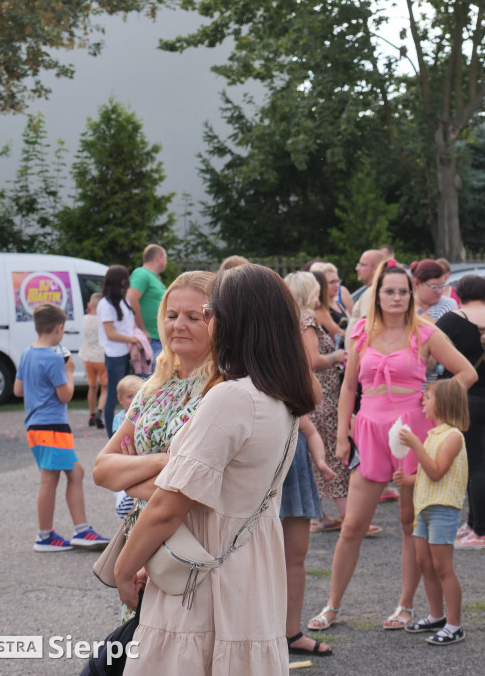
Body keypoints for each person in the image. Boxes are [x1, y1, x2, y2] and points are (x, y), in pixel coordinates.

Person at [113, 263, 320, 675]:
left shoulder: (231, 398)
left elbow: (169, 506)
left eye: (208, 312)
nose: (205, 320)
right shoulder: (277, 397)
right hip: (249, 566)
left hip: (204, 575)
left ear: (232, 321)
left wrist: (122, 569)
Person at [309, 260, 475, 633]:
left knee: (408, 525)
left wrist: (435, 406)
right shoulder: (360, 332)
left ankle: (404, 606)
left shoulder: (426, 332)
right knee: (352, 525)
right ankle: (331, 605)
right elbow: (349, 386)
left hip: (411, 433)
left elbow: (467, 373)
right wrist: (340, 436)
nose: (397, 297)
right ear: (378, 295)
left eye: (403, 291)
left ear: (411, 294)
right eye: (390, 291)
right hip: (368, 431)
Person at [94, 271, 217, 620]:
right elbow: (102, 470)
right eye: (171, 315)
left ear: (219, 323)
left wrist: (130, 474)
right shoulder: (153, 387)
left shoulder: (221, 390)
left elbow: (197, 484)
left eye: (194, 317)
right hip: (141, 538)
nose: (178, 325)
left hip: (191, 542)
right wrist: (168, 460)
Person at [15, 303, 109, 552]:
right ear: (59, 328)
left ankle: (80, 530)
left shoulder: (27, 353)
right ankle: (47, 536)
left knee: (74, 473)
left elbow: (18, 390)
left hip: (36, 425)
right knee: (50, 479)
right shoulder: (54, 359)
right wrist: (68, 370)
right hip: (52, 425)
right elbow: (66, 395)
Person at [280, 272, 338, 658]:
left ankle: (289, 632)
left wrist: (317, 448)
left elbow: (303, 401)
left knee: (295, 553)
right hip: (267, 453)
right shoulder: (289, 329)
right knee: (255, 552)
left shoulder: (290, 332)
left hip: (295, 442)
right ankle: (260, 634)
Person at [436, 275, 485, 549]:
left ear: (457, 294)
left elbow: (431, 356)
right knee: (476, 463)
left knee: (477, 466)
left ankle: (480, 531)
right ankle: (472, 524)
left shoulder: (449, 322)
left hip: (464, 400)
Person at [392, 379, 470, 645]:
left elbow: (436, 472)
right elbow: (428, 473)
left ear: (444, 403)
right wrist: (408, 480)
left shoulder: (453, 436)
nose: (423, 401)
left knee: (442, 566)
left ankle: (455, 624)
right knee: (424, 563)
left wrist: (415, 445)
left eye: (428, 397)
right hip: (424, 507)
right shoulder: (433, 435)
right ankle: (436, 616)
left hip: (442, 508)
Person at [282, 272, 352, 535]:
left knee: (318, 457)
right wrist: (336, 355)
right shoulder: (307, 321)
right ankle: (347, 517)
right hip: (320, 395)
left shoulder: (289, 320)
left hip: (309, 394)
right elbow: (311, 360)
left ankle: (320, 517)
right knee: (333, 456)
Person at [98, 265, 144, 436]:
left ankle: (131, 433)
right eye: (125, 278)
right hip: (115, 355)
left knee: (135, 394)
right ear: (118, 280)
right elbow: (110, 334)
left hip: (128, 353)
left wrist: (134, 344)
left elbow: (129, 327)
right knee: (113, 396)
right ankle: (112, 437)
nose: (128, 282)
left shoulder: (124, 301)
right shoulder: (105, 304)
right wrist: (134, 341)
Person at [111, 374, 146, 521]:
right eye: (130, 396)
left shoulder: (146, 415)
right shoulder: (120, 419)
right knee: (125, 499)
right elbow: (117, 443)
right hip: (124, 462)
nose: (134, 400)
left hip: (141, 461)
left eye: (138, 395)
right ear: (120, 399)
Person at [127, 245, 168, 368]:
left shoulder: (153, 277)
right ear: (158, 258)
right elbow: (130, 299)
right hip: (149, 340)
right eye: (165, 257)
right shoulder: (142, 273)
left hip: (157, 338)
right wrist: (142, 329)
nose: (166, 261)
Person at [78, 292, 107, 428]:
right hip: (101, 358)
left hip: (87, 357)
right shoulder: (103, 321)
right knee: (105, 388)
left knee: (92, 387)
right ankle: (100, 411)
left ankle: (91, 414)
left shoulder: (84, 319)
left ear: (89, 305)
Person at [310, 261, 353, 325]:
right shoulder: (319, 308)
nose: (337, 285)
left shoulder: (337, 303)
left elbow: (355, 317)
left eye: (337, 281)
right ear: (321, 284)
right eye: (332, 282)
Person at [350, 248, 388, 323]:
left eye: (362, 265)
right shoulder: (374, 290)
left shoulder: (372, 292)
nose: (357, 268)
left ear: (375, 269)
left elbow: (366, 326)